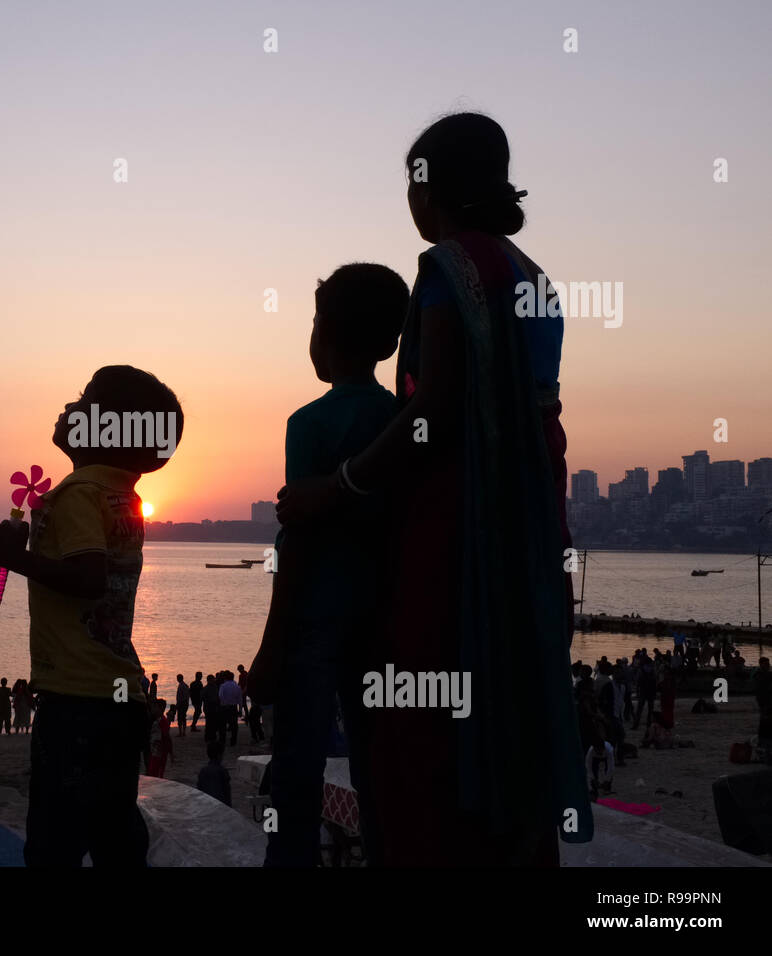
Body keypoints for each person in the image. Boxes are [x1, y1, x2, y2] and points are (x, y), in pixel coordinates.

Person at [275, 113, 590, 864]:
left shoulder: (448, 270)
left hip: (458, 526)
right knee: (515, 702)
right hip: (531, 518)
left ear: (431, 188)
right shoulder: (532, 274)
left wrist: (339, 487)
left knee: (426, 725)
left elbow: (435, 409)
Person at [0, 364, 183, 866]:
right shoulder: (123, 499)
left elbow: (88, 579)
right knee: (114, 831)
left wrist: (17, 559)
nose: (68, 407)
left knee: (54, 841)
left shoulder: (76, 494)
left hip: (75, 702)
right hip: (117, 698)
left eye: (82, 401)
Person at [247, 263, 407, 868]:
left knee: (297, 769)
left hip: (313, 622)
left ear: (321, 333)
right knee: (376, 766)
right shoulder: (400, 420)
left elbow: (302, 543)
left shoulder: (308, 423)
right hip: (380, 618)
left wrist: (270, 646)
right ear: (390, 343)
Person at [196, 739, 231, 807]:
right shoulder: (222, 771)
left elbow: (199, 789)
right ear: (219, 756)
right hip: (220, 806)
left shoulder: (203, 771)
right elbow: (227, 793)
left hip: (206, 805)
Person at [218, 670, 242, 746]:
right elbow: (240, 700)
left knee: (222, 725)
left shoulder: (223, 686)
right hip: (233, 707)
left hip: (224, 707)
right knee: (234, 725)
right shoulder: (237, 686)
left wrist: (224, 703)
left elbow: (220, 696)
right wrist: (240, 710)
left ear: (225, 677)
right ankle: (233, 740)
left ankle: (222, 740)